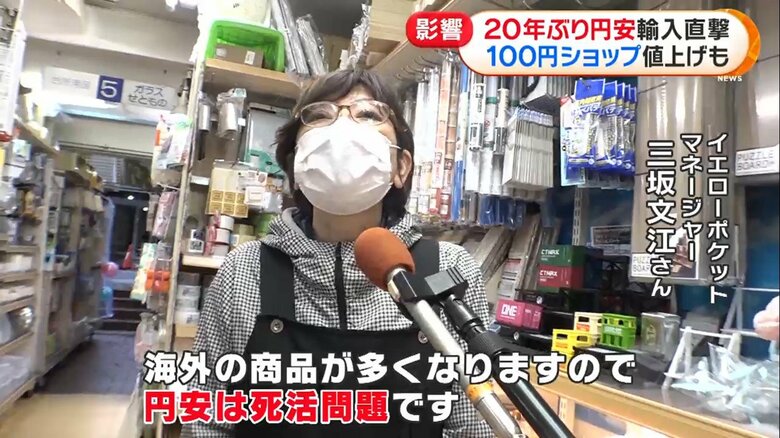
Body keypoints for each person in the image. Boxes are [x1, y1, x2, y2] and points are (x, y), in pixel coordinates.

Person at [185, 69, 493, 438]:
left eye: (369, 114)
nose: (343, 128)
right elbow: (207, 420)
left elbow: (472, 427)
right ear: (296, 165)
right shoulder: (245, 270)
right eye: (320, 115)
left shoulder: (448, 270)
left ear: (401, 167)